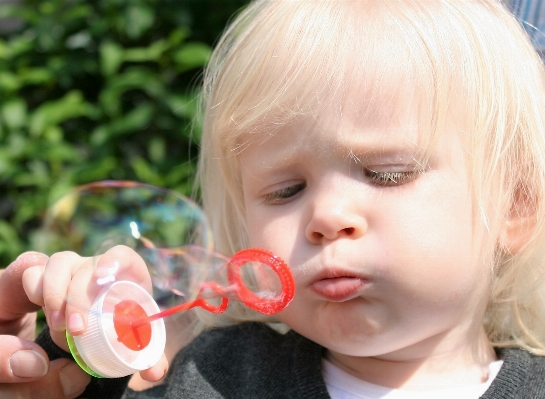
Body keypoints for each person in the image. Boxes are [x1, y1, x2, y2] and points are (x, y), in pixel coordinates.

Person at [4, 0, 545, 397]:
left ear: (514, 205)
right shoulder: (209, 378)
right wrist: (71, 348)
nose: (327, 217)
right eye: (285, 191)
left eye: (386, 174)